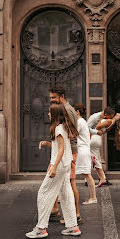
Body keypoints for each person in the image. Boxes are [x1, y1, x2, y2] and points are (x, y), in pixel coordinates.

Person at [26, 103, 81, 239]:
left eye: (50, 112)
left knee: (43, 193)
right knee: (66, 194)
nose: (48, 114)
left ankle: (41, 228)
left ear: (55, 115)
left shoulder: (58, 129)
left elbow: (61, 150)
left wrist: (54, 167)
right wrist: (47, 143)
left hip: (60, 165)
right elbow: (61, 146)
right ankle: (73, 226)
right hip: (66, 164)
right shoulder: (63, 127)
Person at [49, 86, 81, 224]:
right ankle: (55, 209)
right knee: (60, 181)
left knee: (70, 183)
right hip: (66, 151)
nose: (51, 100)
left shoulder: (66, 110)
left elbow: (71, 132)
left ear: (61, 96)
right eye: (50, 97)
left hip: (69, 151)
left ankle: (76, 214)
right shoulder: (65, 108)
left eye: (53, 97)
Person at [88, 107, 120, 187]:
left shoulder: (108, 120)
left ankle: (100, 178)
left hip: (94, 139)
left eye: (116, 115)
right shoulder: (107, 120)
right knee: (96, 159)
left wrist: (101, 120)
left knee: (94, 159)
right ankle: (100, 178)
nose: (116, 115)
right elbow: (104, 130)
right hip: (96, 139)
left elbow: (98, 127)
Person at [74, 103, 97, 204]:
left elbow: (73, 134)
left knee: (86, 175)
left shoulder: (79, 122)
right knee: (85, 174)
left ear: (77, 112)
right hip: (84, 150)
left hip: (81, 150)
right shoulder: (82, 121)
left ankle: (93, 197)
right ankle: (93, 197)